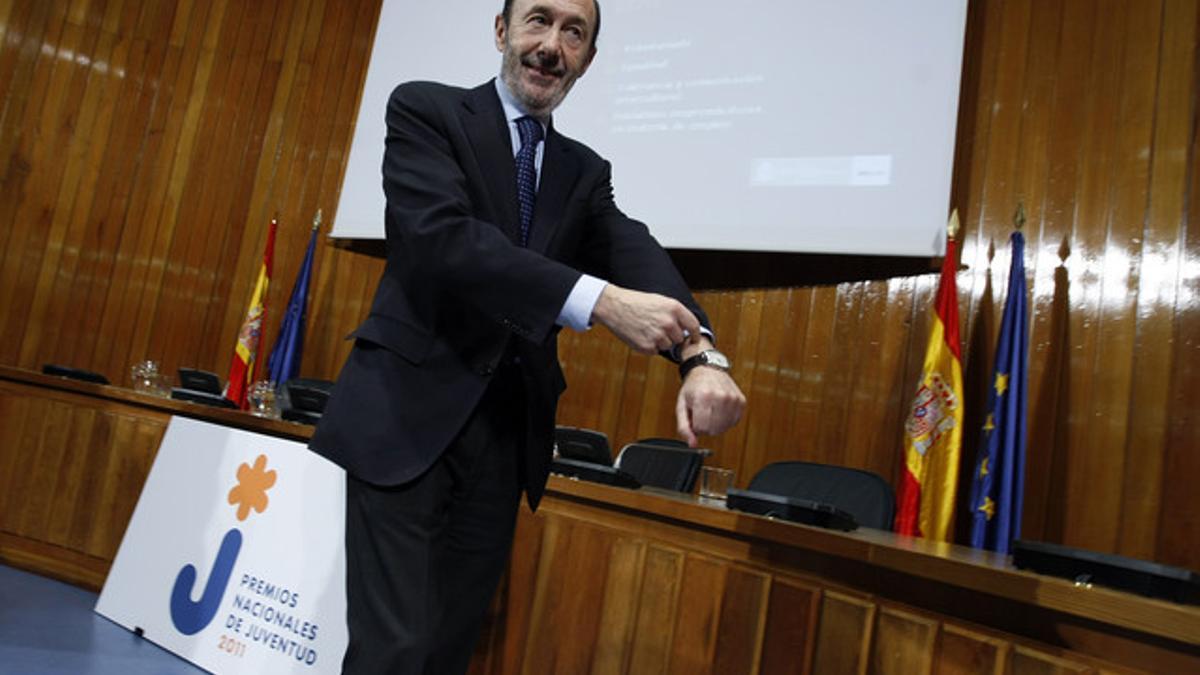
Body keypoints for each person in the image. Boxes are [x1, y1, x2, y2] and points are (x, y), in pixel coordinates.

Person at [310, 0, 746, 672]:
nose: (552, 45)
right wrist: (597, 300)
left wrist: (700, 354)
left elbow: (632, 251)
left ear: (588, 62)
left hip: (504, 439)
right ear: (501, 31)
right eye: (538, 21)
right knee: (393, 650)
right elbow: (442, 242)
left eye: (574, 33)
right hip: (403, 419)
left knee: (448, 650)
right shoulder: (428, 111)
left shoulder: (582, 170)